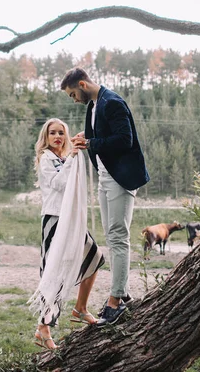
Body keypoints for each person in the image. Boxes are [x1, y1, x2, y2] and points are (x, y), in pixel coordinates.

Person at [61, 67, 150, 327]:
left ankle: (115, 301)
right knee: (111, 236)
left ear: (82, 84)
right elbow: (101, 136)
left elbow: (124, 139)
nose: (74, 99)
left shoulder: (112, 102)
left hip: (120, 178)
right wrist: (86, 137)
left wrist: (91, 143)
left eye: (72, 94)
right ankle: (122, 291)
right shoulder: (94, 105)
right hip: (105, 176)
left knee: (118, 236)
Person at [28, 118, 105, 350]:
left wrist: (77, 150)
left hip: (71, 220)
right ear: (46, 137)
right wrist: (72, 157)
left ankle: (80, 308)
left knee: (95, 256)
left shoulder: (67, 157)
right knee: (53, 273)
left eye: (61, 133)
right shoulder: (47, 158)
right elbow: (59, 184)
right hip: (54, 219)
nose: (58, 137)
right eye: (53, 133)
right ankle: (43, 328)